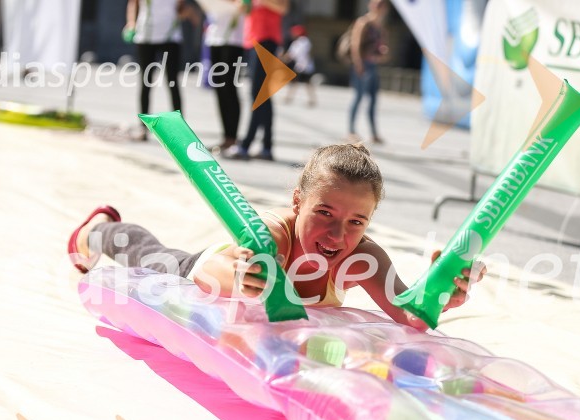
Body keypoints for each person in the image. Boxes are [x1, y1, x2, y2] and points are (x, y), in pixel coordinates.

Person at [67, 144, 484, 330]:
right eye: (324, 212)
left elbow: (408, 314)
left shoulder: (363, 259)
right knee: (149, 254)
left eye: (358, 221)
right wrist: (247, 279)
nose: (339, 234)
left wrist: (442, 291)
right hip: (195, 271)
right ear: (297, 201)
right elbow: (221, 275)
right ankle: (95, 230)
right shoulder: (273, 235)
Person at [225, 0, 289, 161]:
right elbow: (245, 9)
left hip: (267, 40)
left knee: (258, 94)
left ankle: (246, 145)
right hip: (252, 40)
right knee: (263, 95)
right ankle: (267, 147)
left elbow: (283, 7)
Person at [125, 0, 196, 140]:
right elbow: (133, 3)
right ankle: (143, 128)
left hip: (170, 36)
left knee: (172, 82)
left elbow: (182, 8)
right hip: (146, 35)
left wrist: (187, 13)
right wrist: (131, 22)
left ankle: (180, 129)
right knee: (146, 82)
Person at [203, 0, 245, 153]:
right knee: (219, 88)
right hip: (215, 37)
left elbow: (246, 7)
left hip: (234, 40)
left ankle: (233, 137)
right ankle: (226, 137)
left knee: (229, 88)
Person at [348, 0, 390, 144]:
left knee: (373, 100)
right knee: (358, 97)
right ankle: (351, 131)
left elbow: (382, 47)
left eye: (381, 5)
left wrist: (383, 52)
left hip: (373, 65)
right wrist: (359, 64)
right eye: (376, 4)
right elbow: (355, 44)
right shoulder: (363, 22)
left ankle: (374, 133)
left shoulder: (380, 27)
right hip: (363, 65)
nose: (378, 8)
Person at [283, 24, 316, 107]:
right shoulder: (305, 41)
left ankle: (289, 97)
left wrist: (283, 58)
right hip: (304, 66)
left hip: (303, 66)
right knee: (305, 83)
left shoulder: (301, 41)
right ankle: (311, 100)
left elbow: (293, 54)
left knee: (298, 83)